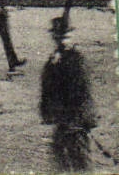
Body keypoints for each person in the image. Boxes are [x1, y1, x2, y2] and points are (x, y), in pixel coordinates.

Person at [40, 16, 95, 171]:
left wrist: (79, 121)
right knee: (59, 162)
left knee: (80, 164)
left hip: (75, 123)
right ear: (53, 37)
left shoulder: (76, 60)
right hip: (62, 122)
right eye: (58, 36)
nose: (62, 40)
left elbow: (81, 92)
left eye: (65, 36)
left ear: (71, 36)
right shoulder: (56, 59)